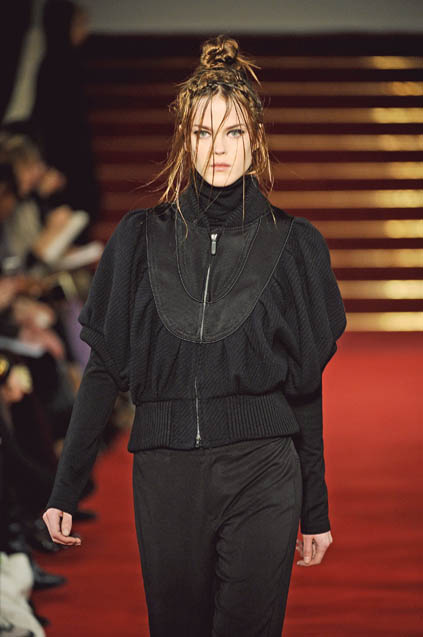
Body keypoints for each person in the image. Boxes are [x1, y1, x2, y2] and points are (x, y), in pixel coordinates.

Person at [43, 35, 347, 636]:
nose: (219, 148)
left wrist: (315, 507)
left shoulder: (293, 246)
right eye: (204, 133)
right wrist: (64, 488)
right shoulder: (139, 240)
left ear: (256, 139)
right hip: (166, 476)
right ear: (185, 140)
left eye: (233, 132)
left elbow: (304, 387)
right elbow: (103, 368)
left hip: (263, 470)